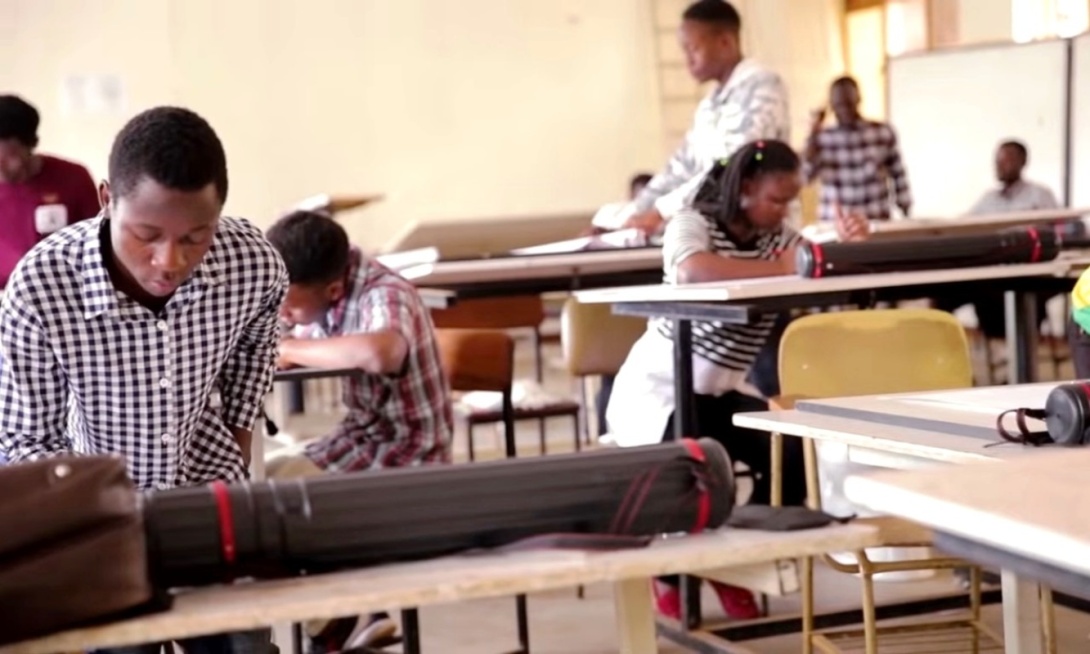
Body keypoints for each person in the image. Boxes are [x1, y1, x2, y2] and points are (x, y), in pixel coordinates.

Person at [0, 106, 286, 653]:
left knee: (244, 648)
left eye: (196, 238)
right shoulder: (41, 287)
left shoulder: (254, 264)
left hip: (212, 501)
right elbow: (27, 441)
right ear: (107, 199)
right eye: (146, 235)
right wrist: (76, 541)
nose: (168, 260)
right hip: (97, 522)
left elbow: (255, 350)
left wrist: (238, 439)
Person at [606, 140, 868, 620]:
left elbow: (812, 262)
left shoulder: (777, 236)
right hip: (663, 391)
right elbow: (691, 271)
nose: (784, 210)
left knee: (791, 452)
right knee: (689, 471)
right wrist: (784, 267)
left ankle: (739, 561)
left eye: (790, 201)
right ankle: (670, 572)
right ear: (745, 188)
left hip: (722, 391)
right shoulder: (693, 222)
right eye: (776, 199)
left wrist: (845, 244)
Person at [265, 210, 454, 652]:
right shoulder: (319, 282)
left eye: (289, 305)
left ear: (332, 289)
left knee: (278, 497)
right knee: (259, 479)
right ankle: (345, 620)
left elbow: (380, 352)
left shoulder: (384, 293)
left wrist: (291, 347)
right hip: (361, 440)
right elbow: (275, 325)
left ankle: (342, 622)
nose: (283, 313)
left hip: (407, 457)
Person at [590, 0, 789, 236]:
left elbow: (731, 167)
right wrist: (630, 215)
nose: (687, 61)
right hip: (715, 235)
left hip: (760, 239)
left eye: (693, 49)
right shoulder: (709, 104)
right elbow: (680, 169)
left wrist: (662, 212)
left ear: (725, 42)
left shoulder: (762, 86)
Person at [933, 141, 1059, 343]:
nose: (1000, 165)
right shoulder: (989, 199)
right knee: (942, 295)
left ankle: (1021, 350)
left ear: (1023, 162)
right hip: (992, 273)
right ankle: (943, 355)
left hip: (1029, 273)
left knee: (1024, 296)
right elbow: (963, 225)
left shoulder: (1039, 195)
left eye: (1007, 159)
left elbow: (1058, 230)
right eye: (997, 160)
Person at [0, 94, 100, 288]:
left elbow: (98, 242)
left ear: (32, 144)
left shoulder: (73, 178)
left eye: (8, 158)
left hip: (63, 290)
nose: (1, 169)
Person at [803, 76, 912, 224]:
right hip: (834, 226)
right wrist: (813, 133)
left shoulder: (882, 132)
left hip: (875, 220)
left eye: (849, 103)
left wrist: (905, 207)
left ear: (859, 99)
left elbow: (898, 173)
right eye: (839, 105)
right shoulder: (821, 139)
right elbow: (806, 177)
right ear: (831, 106)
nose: (844, 110)